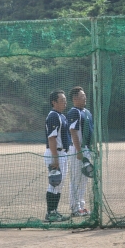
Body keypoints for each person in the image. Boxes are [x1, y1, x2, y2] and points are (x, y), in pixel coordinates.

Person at [44, 90, 71, 222]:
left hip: (62, 153)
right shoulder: (53, 116)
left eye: (65, 100)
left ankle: (54, 211)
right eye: (62, 101)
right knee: (54, 182)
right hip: (55, 152)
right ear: (54, 102)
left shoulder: (61, 116)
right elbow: (52, 138)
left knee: (59, 184)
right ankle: (50, 213)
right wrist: (55, 158)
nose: (65, 103)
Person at [67, 86, 93, 217]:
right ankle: (75, 207)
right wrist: (78, 151)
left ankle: (81, 206)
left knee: (84, 179)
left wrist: (92, 149)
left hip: (86, 148)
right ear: (75, 98)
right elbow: (73, 132)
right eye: (82, 96)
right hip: (77, 149)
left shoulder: (87, 112)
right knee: (76, 179)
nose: (85, 97)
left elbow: (91, 132)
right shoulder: (74, 112)